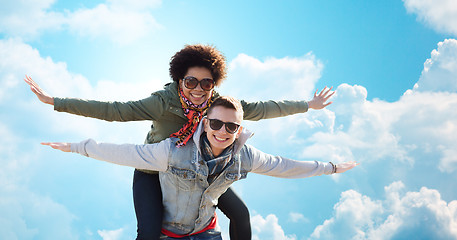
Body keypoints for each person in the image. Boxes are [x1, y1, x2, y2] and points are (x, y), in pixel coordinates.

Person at [25, 44, 335, 240]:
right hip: (155, 169)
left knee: (241, 215)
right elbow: (113, 111)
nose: (198, 89)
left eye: (206, 83)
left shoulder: (218, 105)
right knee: (148, 233)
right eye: (191, 82)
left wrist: (308, 105)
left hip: (198, 170)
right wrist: (55, 101)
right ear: (179, 81)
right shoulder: (162, 102)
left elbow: (262, 108)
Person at [42, 96, 358, 239]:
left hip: (206, 234)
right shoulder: (172, 151)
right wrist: (76, 147)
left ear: (239, 129)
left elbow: (284, 166)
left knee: (241, 213)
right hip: (168, 233)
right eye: (216, 124)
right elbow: (124, 151)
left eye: (231, 127)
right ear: (205, 123)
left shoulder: (244, 155)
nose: (223, 131)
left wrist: (330, 167)